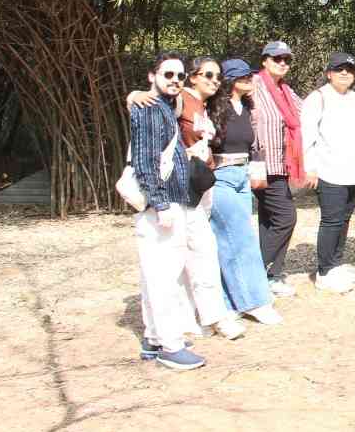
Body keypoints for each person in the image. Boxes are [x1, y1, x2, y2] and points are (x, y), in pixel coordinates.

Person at [128, 53, 204, 370]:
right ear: (152, 76)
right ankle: (170, 346)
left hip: (169, 199)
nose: (175, 80)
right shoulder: (148, 109)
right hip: (162, 203)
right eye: (168, 74)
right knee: (163, 276)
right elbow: (145, 160)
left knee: (157, 274)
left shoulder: (164, 107)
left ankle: (154, 338)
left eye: (180, 76)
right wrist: (160, 203)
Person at [205, 60, 283, 326]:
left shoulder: (247, 107)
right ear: (229, 80)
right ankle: (255, 301)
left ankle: (230, 303)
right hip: (220, 177)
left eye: (250, 75)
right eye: (242, 76)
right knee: (241, 238)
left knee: (230, 240)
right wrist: (137, 95)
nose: (249, 79)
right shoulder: (214, 106)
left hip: (242, 176)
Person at [302, 52, 355, 294]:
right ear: (329, 73)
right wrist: (310, 168)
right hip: (328, 171)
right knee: (331, 221)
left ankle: (336, 263)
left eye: (349, 69)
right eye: (339, 69)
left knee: (345, 219)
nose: (344, 73)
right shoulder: (318, 98)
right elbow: (307, 136)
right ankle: (324, 270)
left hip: (353, 171)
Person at [250, 40, 304, 296]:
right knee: (286, 218)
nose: (282, 63)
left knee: (269, 221)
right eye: (277, 58)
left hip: (280, 165)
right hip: (260, 165)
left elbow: (307, 112)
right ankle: (253, 272)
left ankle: (271, 275)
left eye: (286, 60)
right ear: (264, 61)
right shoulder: (252, 85)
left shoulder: (285, 91)